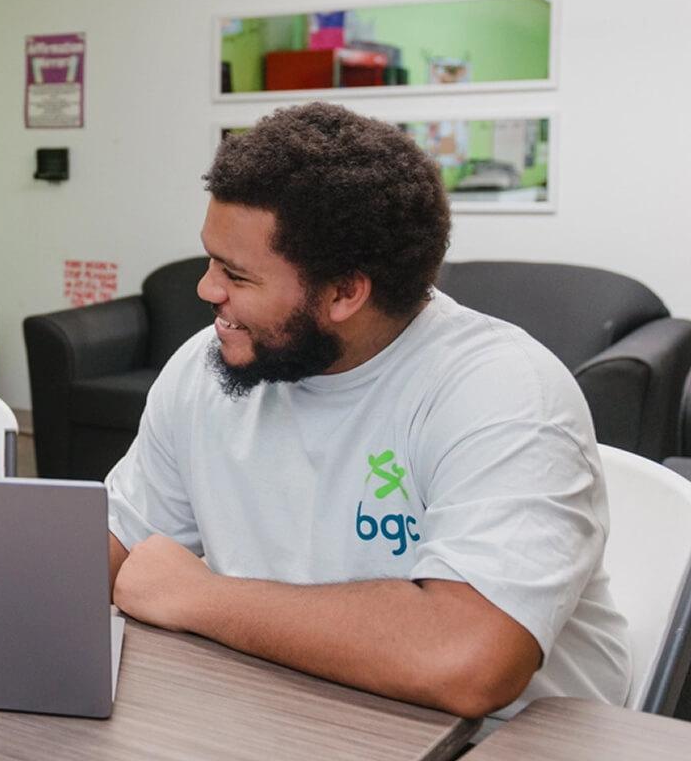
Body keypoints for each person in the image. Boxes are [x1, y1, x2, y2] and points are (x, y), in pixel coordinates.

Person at [106, 103, 630, 720]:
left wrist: (200, 597)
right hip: (293, 712)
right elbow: (110, 549)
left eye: (237, 275)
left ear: (344, 293)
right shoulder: (207, 368)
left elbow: (467, 659)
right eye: (211, 260)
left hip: (500, 741)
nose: (206, 290)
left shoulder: (504, 392)